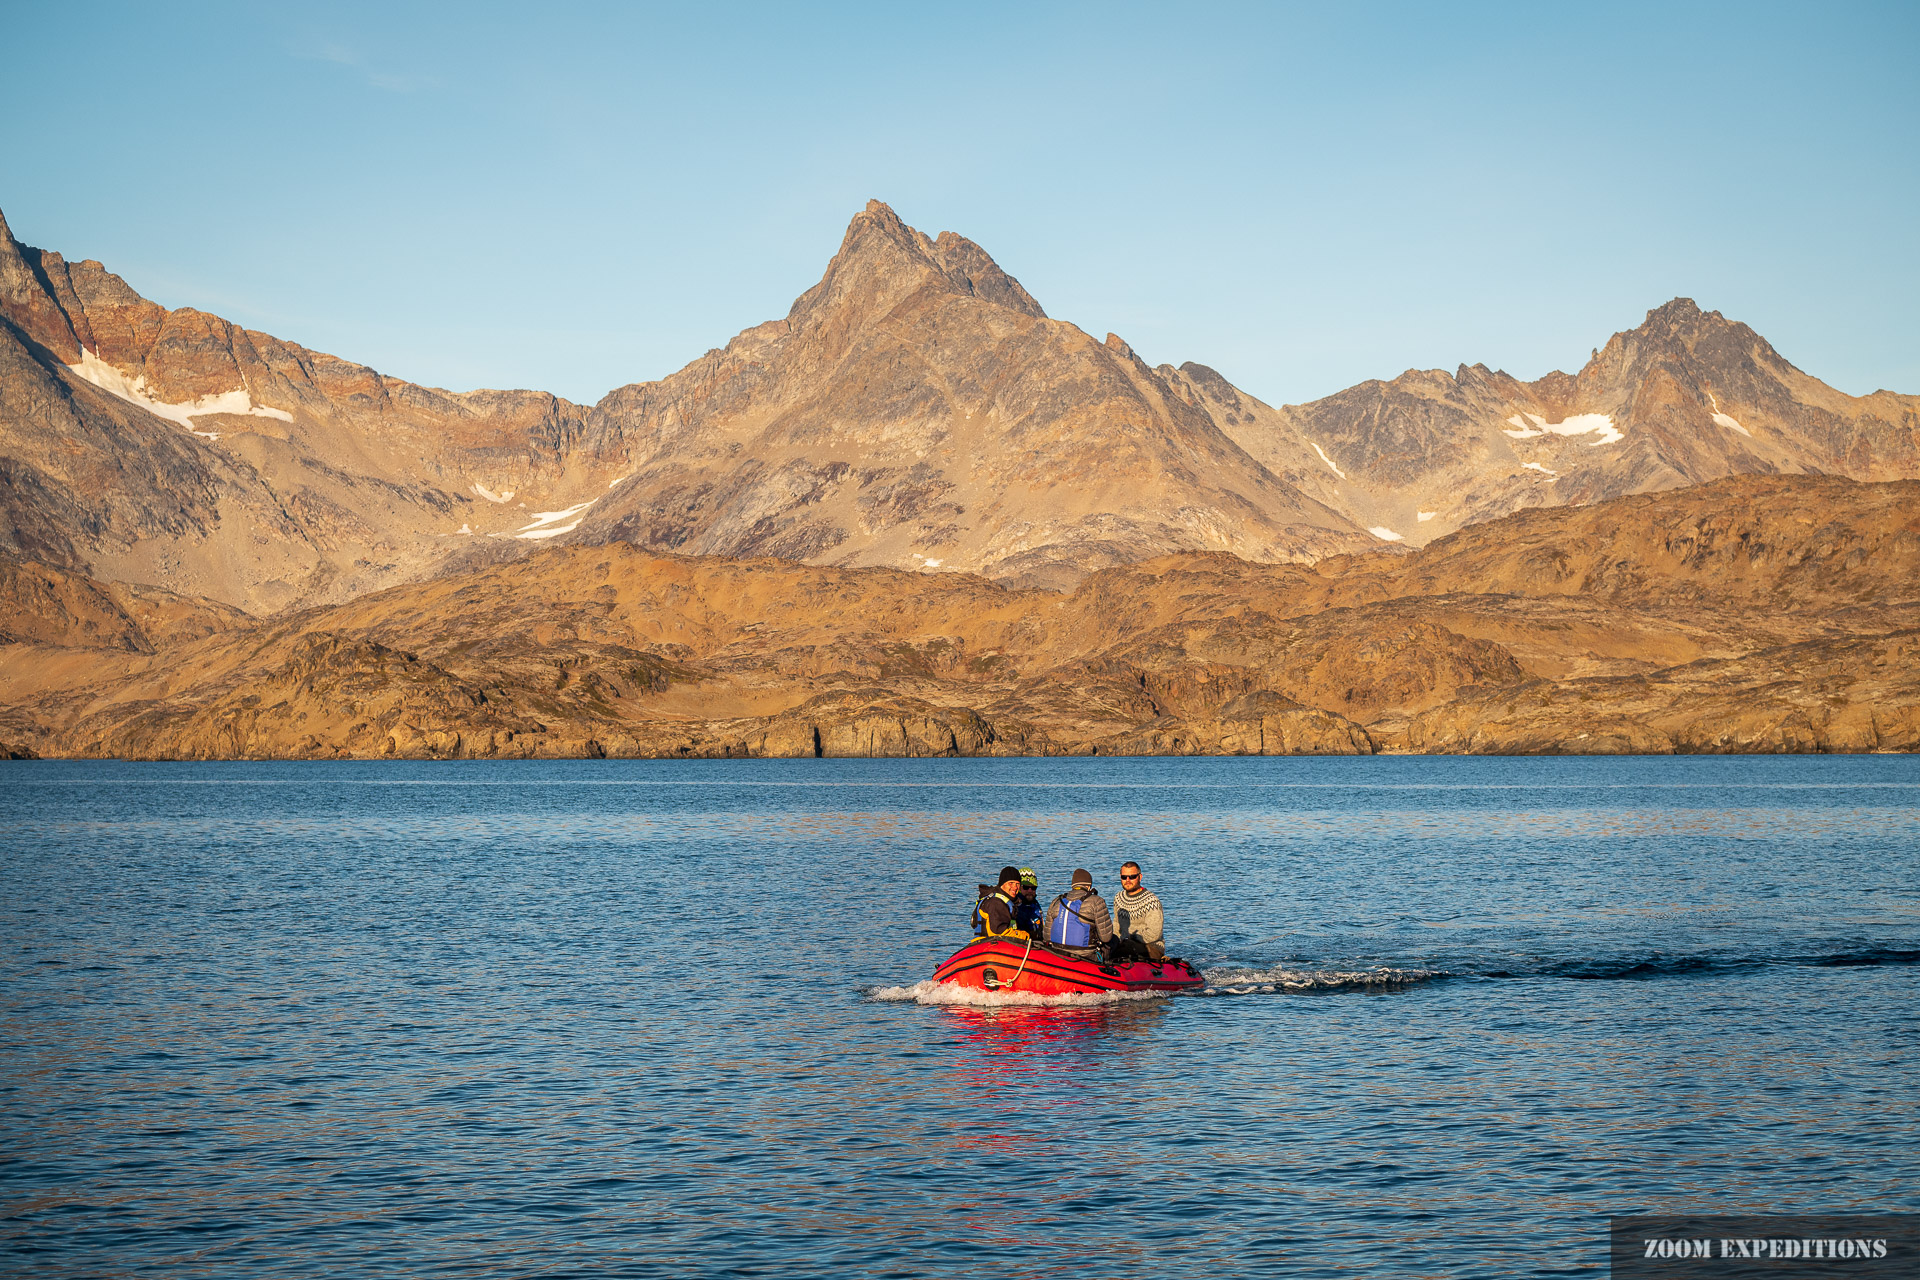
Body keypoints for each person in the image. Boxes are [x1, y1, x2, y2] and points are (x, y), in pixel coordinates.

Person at [1043, 868, 1114, 955]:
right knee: (1115, 940)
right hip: (1086, 955)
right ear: (1088, 886)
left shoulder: (1056, 901)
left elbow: (1047, 937)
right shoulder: (1097, 901)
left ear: (1073, 886)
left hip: (1057, 953)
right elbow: (1106, 938)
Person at [1111, 860, 1165, 961]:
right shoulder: (1118, 898)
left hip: (1151, 947)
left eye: (1132, 877)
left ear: (1140, 877)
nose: (1128, 880)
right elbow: (1117, 926)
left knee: (1124, 948)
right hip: (1125, 944)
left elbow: (1154, 934)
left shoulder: (1151, 901)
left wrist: (1130, 937)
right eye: (1124, 877)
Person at [971, 865, 1030, 939]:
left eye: (1017, 884)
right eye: (1011, 883)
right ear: (1002, 884)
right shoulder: (996, 903)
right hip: (990, 946)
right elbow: (998, 932)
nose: (1015, 887)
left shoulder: (1005, 901)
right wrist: (1024, 935)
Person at [1012, 868, 1044, 937]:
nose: (1030, 891)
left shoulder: (1035, 905)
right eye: (1025, 887)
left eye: (1033, 888)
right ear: (1018, 887)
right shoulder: (1013, 906)